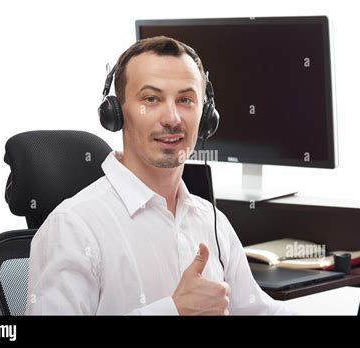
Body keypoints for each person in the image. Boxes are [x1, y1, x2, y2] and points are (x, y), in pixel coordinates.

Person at [25, 36, 291, 315]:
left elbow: (257, 310)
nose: (173, 118)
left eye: (186, 100)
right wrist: (173, 311)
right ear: (116, 114)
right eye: (151, 99)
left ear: (207, 116)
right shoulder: (72, 227)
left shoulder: (211, 220)